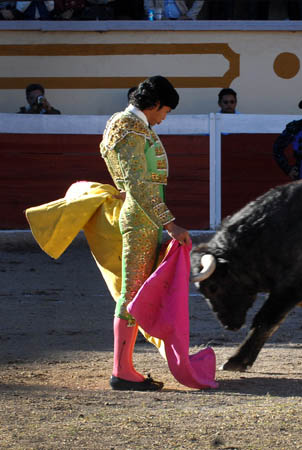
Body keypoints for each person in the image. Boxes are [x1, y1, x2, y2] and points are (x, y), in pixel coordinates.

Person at [100, 75, 191, 391]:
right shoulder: (131, 129)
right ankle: (122, 371)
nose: (165, 117)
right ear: (154, 105)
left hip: (142, 216)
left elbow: (110, 159)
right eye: (165, 110)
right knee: (132, 293)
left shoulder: (120, 123)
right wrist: (170, 224)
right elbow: (138, 183)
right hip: (141, 221)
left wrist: (123, 187)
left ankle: (123, 368)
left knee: (138, 291)